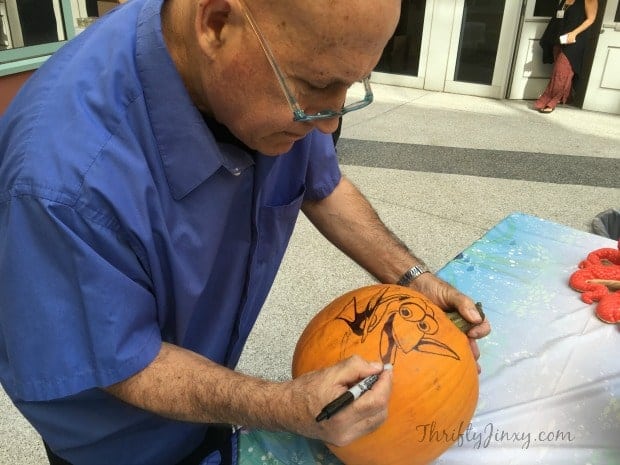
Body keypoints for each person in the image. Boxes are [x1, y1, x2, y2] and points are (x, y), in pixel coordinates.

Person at [0, 0, 491, 464]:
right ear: (215, 22)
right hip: (119, 440)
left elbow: (321, 185)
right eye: (318, 84)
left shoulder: (269, 64)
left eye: (354, 82)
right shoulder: (60, 182)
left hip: (209, 384)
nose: (331, 121)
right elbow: (125, 360)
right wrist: (281, 405)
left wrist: (413, 277)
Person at [535, 0, 598, 113]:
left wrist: (574, 33)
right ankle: (566, 97)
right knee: (563, 72)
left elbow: (591, 19)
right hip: (560, 39)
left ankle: (549, 101)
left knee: (561, 71)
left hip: (575, 39)